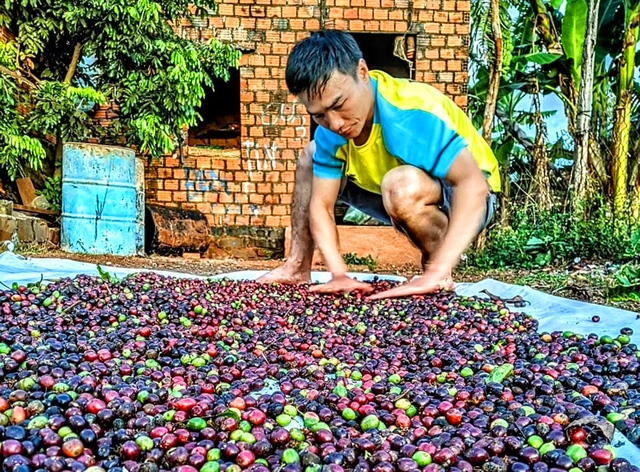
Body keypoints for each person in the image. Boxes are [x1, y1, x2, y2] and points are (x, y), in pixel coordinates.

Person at [258, 30, 500, 299]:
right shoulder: (330, 129)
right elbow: (321, 204)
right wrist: (339, 274)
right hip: (391, 190)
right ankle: (297, 267)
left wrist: (437, 270)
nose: (335, 123)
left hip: (470, 197)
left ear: (362, 71)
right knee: (310, 157)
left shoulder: (409, 111)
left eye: (339, 104)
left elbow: (473, 184)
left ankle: (436, 272)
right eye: (319, 115)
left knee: (400, 185)